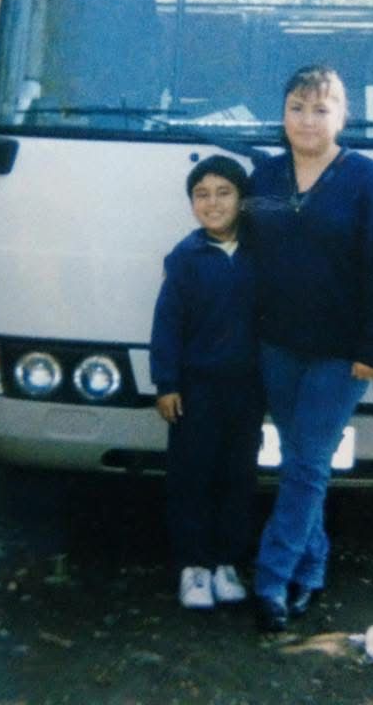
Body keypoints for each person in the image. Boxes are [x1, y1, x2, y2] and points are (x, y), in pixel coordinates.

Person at [247, 65, 373, 632]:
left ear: (343, 116)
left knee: (308, 462)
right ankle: (312, 568)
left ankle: (270, 579)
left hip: (341, 354)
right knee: (300, 461)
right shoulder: (266, 178)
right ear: (282, 114)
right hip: (277, 346)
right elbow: (251, 257)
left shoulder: (367, 180)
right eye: (297, 107)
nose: (307, 120)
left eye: (321, 109)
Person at [150, 155, 264, 610]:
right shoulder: (185, 258)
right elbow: (167, 325)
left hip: (247, 389)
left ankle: (226, 563)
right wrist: (166, 383)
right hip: (197, 391)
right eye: (201, 195)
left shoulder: (261, 253)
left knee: (238, 476)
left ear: (242, 200)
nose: (212, 203)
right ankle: (193, 567)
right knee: (192, 476)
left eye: (223, 193)